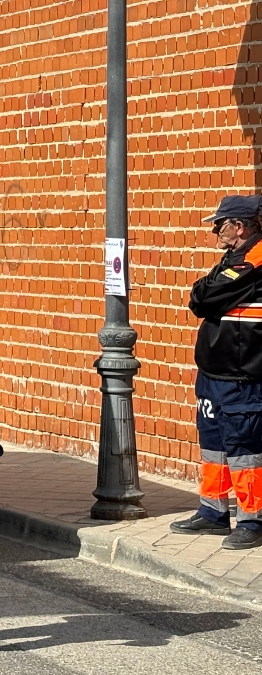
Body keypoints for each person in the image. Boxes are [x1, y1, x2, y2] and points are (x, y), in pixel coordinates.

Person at [170, 195, 262, 550]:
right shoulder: (233, 257)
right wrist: (204, 292)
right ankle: (213, 512)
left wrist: (205, 293)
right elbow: (202, 295)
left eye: (219, 224)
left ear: (239, 227)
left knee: (244, 448)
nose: (214, 231)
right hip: (215, 372)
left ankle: (252, 519)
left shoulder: (253, 260)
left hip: (242, 375)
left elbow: (203, 298)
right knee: (214, 444)